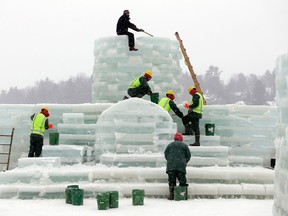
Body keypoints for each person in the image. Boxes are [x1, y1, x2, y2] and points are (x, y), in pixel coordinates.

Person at [164, 132, 191, 200]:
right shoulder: (184, 145)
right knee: (182, 181)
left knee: (171, 182)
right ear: (181, 139)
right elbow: (188, 155)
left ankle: (172, 196)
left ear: (174, 139)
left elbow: (166, 154)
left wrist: (171, 161)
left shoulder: (170, 145)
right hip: (181, 167)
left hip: (171, 167)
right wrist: (184, 162)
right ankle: (182, 195)